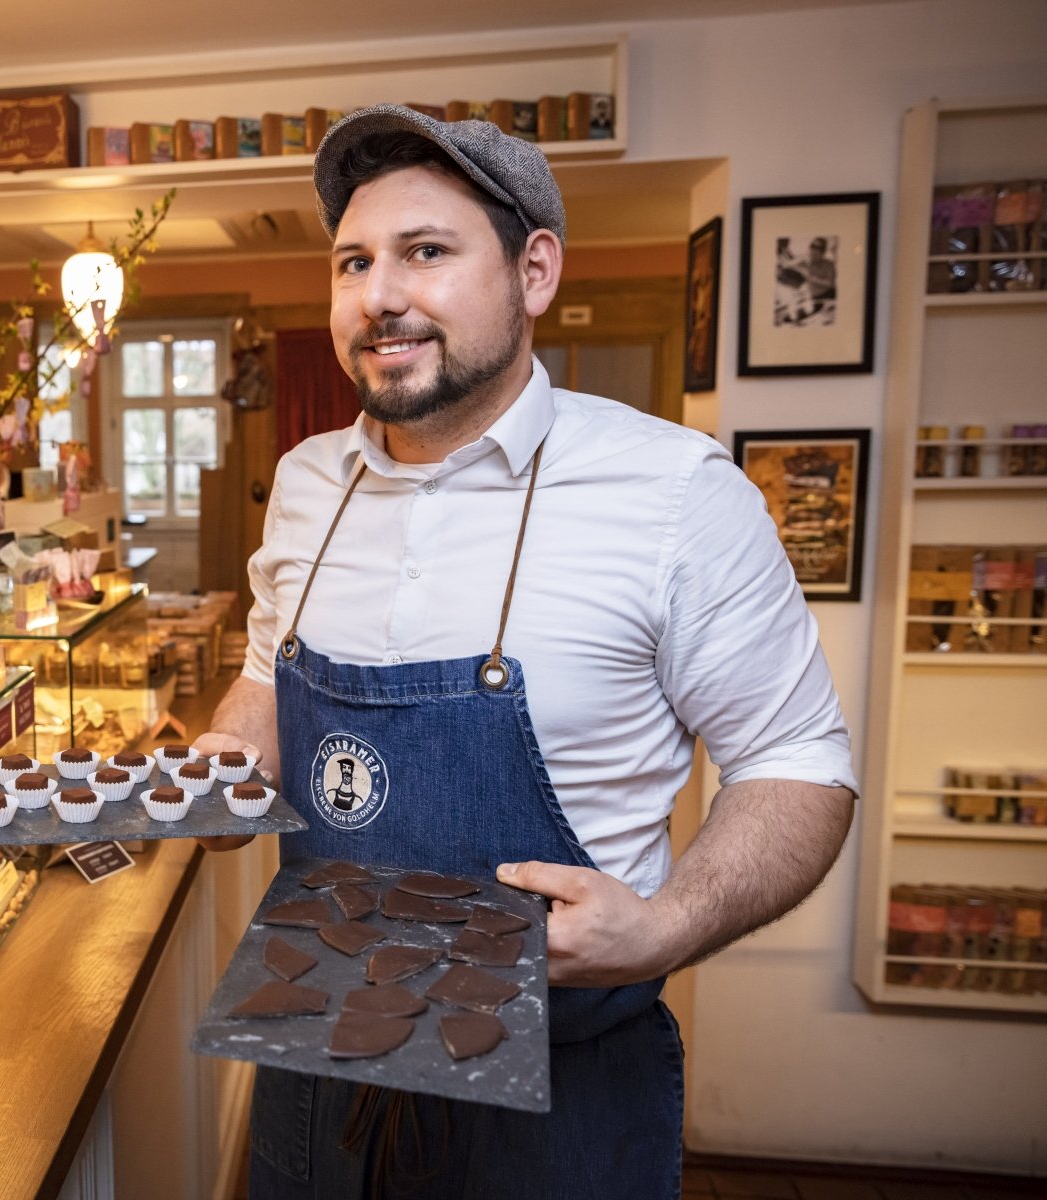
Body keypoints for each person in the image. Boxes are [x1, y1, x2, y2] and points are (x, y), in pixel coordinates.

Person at [193, 105, 857, 1200]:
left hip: (553, 1105)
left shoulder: (676, 496)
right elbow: (269, 674)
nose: (380, 294)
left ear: (534, 271)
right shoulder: (309, 483)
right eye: (353, 260)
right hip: (312, 1069)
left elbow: (801, 762)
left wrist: (669, 926)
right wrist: (228, 758)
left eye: (428, 252)